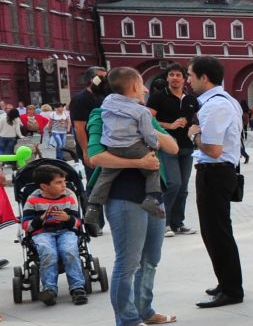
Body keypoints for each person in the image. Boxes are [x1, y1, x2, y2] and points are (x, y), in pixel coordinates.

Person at [85, 78, 179, 326]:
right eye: (141, 84)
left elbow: (172, 146)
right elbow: (95, 156)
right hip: (124, 196)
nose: (147, 89)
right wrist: (139, 162)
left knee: (151, 258)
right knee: (128, 262)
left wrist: (145, 124)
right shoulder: (101, 115)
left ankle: (144, 310)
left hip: (153, 195)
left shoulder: (144, 114)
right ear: (132, 87)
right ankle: (128, 321)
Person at [188, 56, 245, 308]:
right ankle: (226, 281)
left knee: (216, 232)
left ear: (204, 77)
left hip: (215, 171)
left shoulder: (214, 106)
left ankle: (232, 289)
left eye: (190, 75)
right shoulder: (226, 100)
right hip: (221, 171)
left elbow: (212, 149)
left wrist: (194, 136)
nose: (188, 81)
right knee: (218, 231)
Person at [85, 68, 165, 217]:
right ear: (135, 86)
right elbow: (148, 134)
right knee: (153, 168)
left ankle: (93, 206)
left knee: (106, 175)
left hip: (112, 147)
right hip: (133, 146)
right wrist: (154, 145)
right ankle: (152, 198)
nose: (146, 90)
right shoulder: (142, 111)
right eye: (142, 85)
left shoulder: (107, 103)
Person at [20, 164, 88, 305]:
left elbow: (77, 222)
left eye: (64, 181)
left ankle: (77, 287)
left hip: (66, 231)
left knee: (69, 250)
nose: (64, 185)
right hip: (42, 232)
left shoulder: (69, 196)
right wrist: (41, 219)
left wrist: (68, 219)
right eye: (58, 182)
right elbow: (26, 225)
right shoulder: (33, 200)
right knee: (48, 251)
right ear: (44, 187)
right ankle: (49, 289)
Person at [148, 67, 200, 235]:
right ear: (167, 78)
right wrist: (169, 126)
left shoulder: (191, 99)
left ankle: (178, 223)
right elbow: (148, 120)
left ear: (184, 79)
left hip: (187, 146)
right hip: (167, 146)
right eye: (172, 75)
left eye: (179, 75)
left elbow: (198, 118)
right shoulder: (157, 98)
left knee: (183, 187)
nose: (175, 78)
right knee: (173, 183)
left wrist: (193, 126)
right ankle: (164, 222)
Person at [68, 67, 107, 160]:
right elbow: (79, 127)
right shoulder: (80, 99)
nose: (106, 81)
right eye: (102, 78)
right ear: (92, 79)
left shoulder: (103, 96)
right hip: (92, 149)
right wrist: (86, 152)